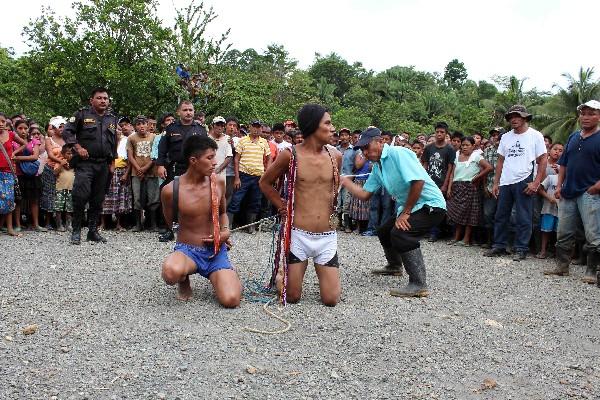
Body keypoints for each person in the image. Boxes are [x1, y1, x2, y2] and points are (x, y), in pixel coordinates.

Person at [341, 128, 446, 297]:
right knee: (384, 231)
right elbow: (365, 195)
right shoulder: (377, 167)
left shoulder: (399, 153)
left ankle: (419, 283)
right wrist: (345, 182)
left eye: (367, 147)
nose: (365, 152)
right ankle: (395, 266)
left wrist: (405, 212)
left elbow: (418, 181)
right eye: (362, 149)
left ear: (380, 141)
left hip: (431, 205)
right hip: (412, 207)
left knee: (401, 233)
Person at [259, 104, 342, 306]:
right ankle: (281, 275)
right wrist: (281, 205)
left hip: (327, 237)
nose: (333, 128)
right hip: (298, 235)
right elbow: (264, 182)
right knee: (292, 297)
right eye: (328, 123)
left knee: (331, 300)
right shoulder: (290, 155)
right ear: (313, 126)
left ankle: (289, 270)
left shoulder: (336, 156)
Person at [160, 135, 241, 306]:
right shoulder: (170, 190)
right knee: (170, 273)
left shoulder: (218, 183)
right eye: (210, 157)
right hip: (187, 251)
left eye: (215, 157)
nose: (215, 162)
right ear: (193, 160)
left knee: (231, 300)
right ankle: (184, 278)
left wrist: (225, 232)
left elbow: (223, 213)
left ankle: (224, 273)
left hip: (215, 251)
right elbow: (171, 223)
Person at [544, 100, 600, 285]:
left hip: (589, 192)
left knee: (593, 234)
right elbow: (564, 163)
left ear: (598, 116)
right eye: (583, 113)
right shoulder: (574, 137)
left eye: (591, 113)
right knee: (563, 231)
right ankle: (562, 266)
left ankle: (592, 271)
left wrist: (597, 186)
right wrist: (559, 185)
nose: (586, 117)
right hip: (568, 191)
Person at [484, 105, 547, 261]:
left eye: (517, 116)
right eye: (511, 117)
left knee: (523, 217)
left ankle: (521, 248)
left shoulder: (535, 135)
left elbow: (543, 159)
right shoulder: (506, 137)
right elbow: (500, 161)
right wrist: (496, 183)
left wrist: (536, 183)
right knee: (500, 215)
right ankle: (499, 245)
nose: (514, 119)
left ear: (525, 117)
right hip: (506, 181)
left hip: (524, 179)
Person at [62, 87, 118, 244]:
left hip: (103, 164)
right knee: (80, 196)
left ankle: (93, 231)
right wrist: (78, 148)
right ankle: (76, 231)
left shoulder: (112, 118)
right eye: (99, 98)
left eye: (105, 98)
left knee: (98, 199)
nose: (103, 101)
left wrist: (112, 162)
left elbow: (114, 142)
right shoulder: (81, 114)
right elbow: (67, 132)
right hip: (85, 163)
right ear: (91, 100)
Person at [156, 101, 207, 242]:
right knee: (171, 198)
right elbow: (162, 148)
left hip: (195, 169)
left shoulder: (201, 129)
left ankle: (196, 229)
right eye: (185, 110)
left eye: (191, 109)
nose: (188, 112)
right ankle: (169, 230)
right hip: (175, 168)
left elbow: (206, 150)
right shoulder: (171, 128)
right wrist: (160, 165)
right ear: (179, 112)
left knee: (196, 198)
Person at [446, 136, 493, 246]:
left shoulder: (476, 156)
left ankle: (466, 239)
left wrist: (477, 177)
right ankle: (456, 237)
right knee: (457, 213)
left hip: (470, 187)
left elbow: (489, 168)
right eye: (463, 145)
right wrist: (449, 187)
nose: (465, 147)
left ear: (473, 146)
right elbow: (452, 173)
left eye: (467, 145)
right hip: (457, 186)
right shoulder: (457, 156)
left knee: (469, 214)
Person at [227, 120, 272, 233]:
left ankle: (250, 226)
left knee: (255, 201)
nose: (256, 129)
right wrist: (237, 178)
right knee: (236, 200)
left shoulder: (264, 142)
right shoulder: (243, 140)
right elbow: (236, 159)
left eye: (258, 127)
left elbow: (269, 157)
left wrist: (267, 171)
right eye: (254, 127)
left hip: (259, 176)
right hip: (243, 175)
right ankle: (228, 225)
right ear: (249, 127)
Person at [422, 122, 456, 242]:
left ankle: (435, 233)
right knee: (426, 207)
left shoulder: (450, 149)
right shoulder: (429, 148)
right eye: (437, 132)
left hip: (441, 182)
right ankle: (426, 230)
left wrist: (445, 185)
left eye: (442, 132)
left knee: (438, 209)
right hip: (429, 182)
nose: (439, 134)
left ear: (446, 133)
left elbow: (450, 169)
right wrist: (423, 180)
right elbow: (425, 165)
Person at [127, 115, 159, 231]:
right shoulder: (131, 138)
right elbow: (130, 155)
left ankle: (153, 224)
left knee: (153, 198)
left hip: (152, 172)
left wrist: (145, 168)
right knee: (137, 198)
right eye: (138, 124)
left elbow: (155, 155)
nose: (141, 126)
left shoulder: (155, 137)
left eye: (143, 123)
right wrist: (138, 169)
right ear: (135, 126)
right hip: (136, 173)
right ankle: (138, 224)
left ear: (147, 125)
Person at [13, 122, 46, 231]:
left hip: (33, 175)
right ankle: (18, 225)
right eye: (20, 128)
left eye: (25, 128)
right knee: (18, 200)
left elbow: (35, 156)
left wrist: (19, 158)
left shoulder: (34, 142)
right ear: (15, 129)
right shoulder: (13, 142)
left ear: (28, 130)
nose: (23, 130)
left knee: (34, 200)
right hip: (19, 174)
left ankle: (36, 224)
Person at [0, 113, 27, 236]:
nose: (1, 123)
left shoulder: (10, 134)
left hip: (8, 172)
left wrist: (14, 153)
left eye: (3, 121)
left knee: (9, 200)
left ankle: (10, 228)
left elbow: (24, 144)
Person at [101, 122, 132, 231]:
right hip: (108, 172)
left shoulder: (126, 142)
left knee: (121, 198)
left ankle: (119, 224)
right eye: (115, 130)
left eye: (119, 129)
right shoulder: (106, 142)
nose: (117, 131)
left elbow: (129, 161)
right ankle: (102, 223)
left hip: (121, 172)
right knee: (105, 198)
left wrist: (126, 174)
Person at [482, 127, 504, 248]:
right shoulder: (487, 150)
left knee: (502, 216)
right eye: (494, 135)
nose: (496, 137)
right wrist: (485, 186)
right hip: (490, 187)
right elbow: (484, 170)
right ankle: (489, 241)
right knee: (487, 214)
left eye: (498, 135)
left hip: (504, 188)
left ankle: (500, 242)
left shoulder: (508, 150)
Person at [53, 144, 76, 232]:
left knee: (69, 208)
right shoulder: (59, 162)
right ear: (63, 154)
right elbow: (55, 173)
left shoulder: (74, 164)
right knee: (59, 208)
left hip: (71, 189)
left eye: (72, 154)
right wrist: (61, 165)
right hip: (60, 189)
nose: (70, 155)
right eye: (68, 153)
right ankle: (59, 225)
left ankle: (68, 224)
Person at [337, 128, 354, 232]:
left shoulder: (354, 150)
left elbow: (356, 165)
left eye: (346, 135)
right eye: (342, 135)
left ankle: (347, 225)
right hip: (337, 179)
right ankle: (338, 224)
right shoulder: (335, 149)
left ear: (349, 137)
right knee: (337, 202)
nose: (344, 137)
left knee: (347, 202)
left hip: (348, 179)